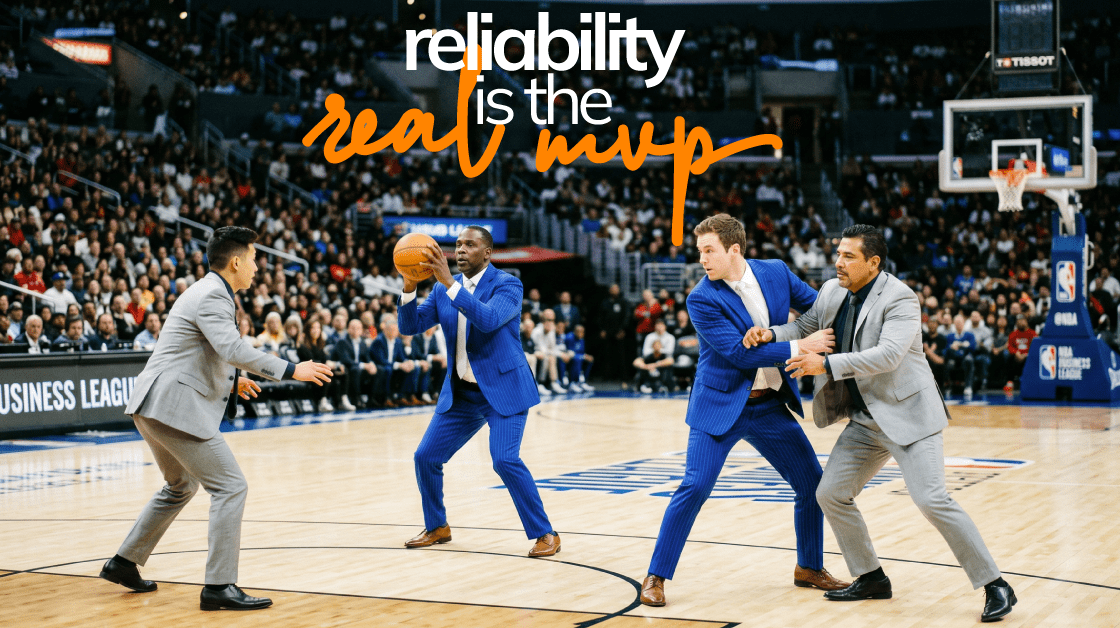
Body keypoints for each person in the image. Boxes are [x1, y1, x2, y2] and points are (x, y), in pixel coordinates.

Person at [767, 224, 1015, 622]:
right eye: (838, 254)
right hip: (866, 422)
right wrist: (769, 334)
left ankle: (995, 585)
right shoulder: (832, 291)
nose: (839, 262)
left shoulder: (900, 297)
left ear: (873, 262)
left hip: (910, 417)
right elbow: (804, 327)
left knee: (932, 499)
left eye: (849, 256)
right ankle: (870, 577)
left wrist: (825, 363)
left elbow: (888, 355)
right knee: (830, 493)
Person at [100, 226, 332, 611]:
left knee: (181, 486)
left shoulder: (206, 290)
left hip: (154, 405)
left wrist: (233, 379)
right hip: (173, 408)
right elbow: (231, 346)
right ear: (237, 261)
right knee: (231, 487)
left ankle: (124, 562)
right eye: (255, 259)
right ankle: (219, 586)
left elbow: (199, 350)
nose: (257, 268)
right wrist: (292, 369)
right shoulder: (212, 295)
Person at [640, 214, 845, 608]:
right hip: (719, 406)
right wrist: (801, 346)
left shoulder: (776, 273)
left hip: (768, 405)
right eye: (699, 251)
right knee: (694, 487)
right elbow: (737, 353)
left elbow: (820, 309)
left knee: (811, 484)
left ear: (734, 249)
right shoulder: (701, 297)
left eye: (709, 250)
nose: (701, 259)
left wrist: (847, 311)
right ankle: (656, 575)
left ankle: (809, 567)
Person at [397, 226, 559, 557]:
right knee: (425, 457)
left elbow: (487, 320)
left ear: (487, 253)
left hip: (504, 390)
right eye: (457, 245)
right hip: (463, 392)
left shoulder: (508, 285)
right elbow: (409, 327)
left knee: (504, 460)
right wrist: (410, 286)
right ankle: (437, 526)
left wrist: (450, 284)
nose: (460, 250)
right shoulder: (443, 291)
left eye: (469, 245)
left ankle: (546, 533)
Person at [330, 318, 377, 410]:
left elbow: (367, 357)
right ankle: (356, 398)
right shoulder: (342, 341)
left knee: (378, 370)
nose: (356, 330)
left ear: (361, 330)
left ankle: (373, 398)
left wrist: (372, 364)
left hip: (358, 369)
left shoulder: (362, 342)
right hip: (345, 369)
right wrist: (364, 365)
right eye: (353, 328)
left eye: (358, 328)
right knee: (355, 370)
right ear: (348, 329)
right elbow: (346, 360)